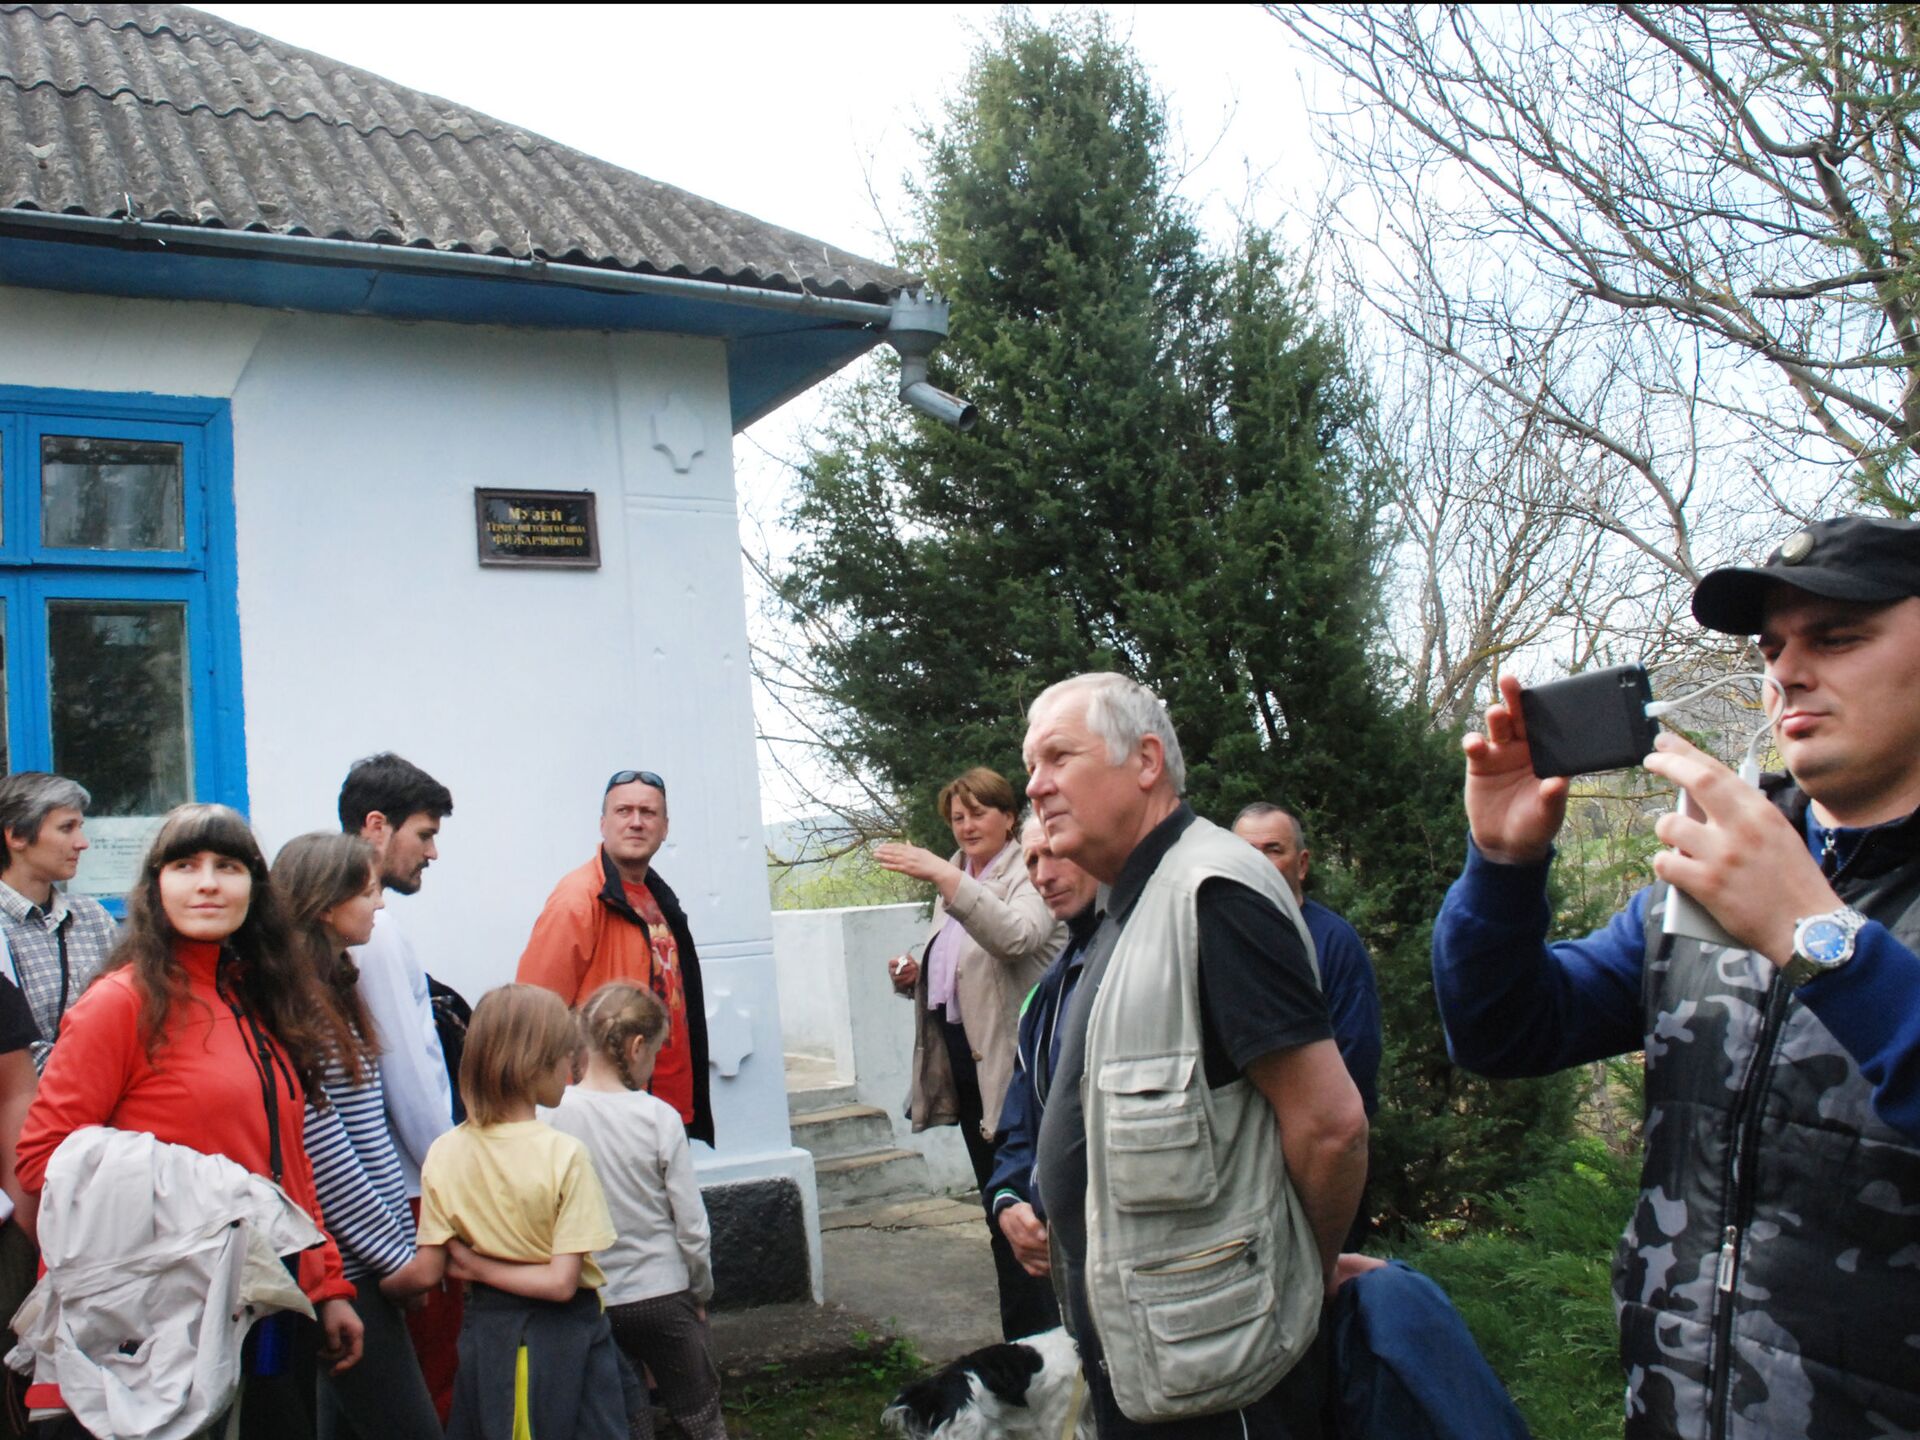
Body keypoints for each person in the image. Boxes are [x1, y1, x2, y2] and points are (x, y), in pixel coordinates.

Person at [1432, 513, 1920, 1436]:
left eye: (1838, 638)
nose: (1787, 672)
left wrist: (1821, 939)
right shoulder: (1714, 870)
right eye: (1772, 647)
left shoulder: (1754, 877)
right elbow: (1504, 1032)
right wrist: (1499, 866)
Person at [1024, 673, 1368, 1437]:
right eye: (1030, 767)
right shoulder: (1129, 904)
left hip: (1225, 1372)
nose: (1037, 786)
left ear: (1146, 761)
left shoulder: (1215, 894)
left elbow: (1331, 1126)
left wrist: (1303, 1275)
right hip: (1154, 1363)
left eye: (1058, 757)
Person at [16, 803, 363, 1436]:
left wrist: (327, 1284)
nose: (207, 883)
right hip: (151, 1338)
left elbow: (286, 1164)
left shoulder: (261, 1000)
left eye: (228, 866)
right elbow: (44, 1165)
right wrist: (212, 1197)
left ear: (255, 888)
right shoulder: (120, 1002)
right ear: (156, 887)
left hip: (267, 1315)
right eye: (184, 865)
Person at [384, 984, 626, 1440]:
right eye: (565, 1054)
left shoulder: (445, 1151)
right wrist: (476, 1266)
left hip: (486, 1336)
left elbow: (426, 1272)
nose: (571, 1066)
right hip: (559, 1339)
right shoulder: (564, 1155)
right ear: (535, 1064)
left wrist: (368, 1293)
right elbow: (560, 1284)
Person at [877, 767, 1066, 1341]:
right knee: (998, 1213)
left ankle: (1049, 1342)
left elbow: (1014, 938)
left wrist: (942, 874)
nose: (965, 826)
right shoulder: (960, 873)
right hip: (968, 1068)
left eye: (978, 813)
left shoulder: (1026, 869)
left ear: (1009, 816)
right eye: (957, 817)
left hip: (1020, 1073)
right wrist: (917, 974)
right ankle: (1023, 1346)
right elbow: (966, 969)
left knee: (1031, 1213)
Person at [274, 833, 441, 1440]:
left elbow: (369, 1139)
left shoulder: (334, 991)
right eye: (369, 892)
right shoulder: (301, 1009)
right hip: (349, 1269)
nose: (380, 904)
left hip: (363, 1262)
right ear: (324, 905)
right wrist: (398, 1259)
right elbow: (325, 1156)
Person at [337, 752, 462, 1419]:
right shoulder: (375, 931)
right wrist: (454, 1179)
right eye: (425, 834)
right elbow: (407, 1076)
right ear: (376, 826)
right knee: (431, 1372)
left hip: (392, 1181)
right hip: (411, 1187)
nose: (433, 853)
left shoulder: (356, 922)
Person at [544, 981, 724, 1440]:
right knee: (698, 1413)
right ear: (638, 1046)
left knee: (625, 1420)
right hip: (663, 1292)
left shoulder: (552, 1116)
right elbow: (691, 1224)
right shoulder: (658, 1117)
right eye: (656, 1053)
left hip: (594, 1297)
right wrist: (699, 1290)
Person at [517, 769, 714, 1145]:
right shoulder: (578, 899)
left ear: (665, 828)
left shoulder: (657, 896)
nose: (636, 822)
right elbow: (533, 1013)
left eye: (648, 812)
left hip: (664, 1105)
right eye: (624, 811)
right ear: (603, 824)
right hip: (603, 1116)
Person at [983, 813, 1100, 1285]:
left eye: (1056, 853)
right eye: (1031, 860)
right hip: (1064, 1258)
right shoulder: (1045, 993)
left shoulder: (1134, 963)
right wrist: (1008, 1198)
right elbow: (1020, 1122)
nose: (1043, 875)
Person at [1231, 803, 1383, 1119]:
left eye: (1273, 850)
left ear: (1301, 864)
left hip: (1315, 1127)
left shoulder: (1334, 941)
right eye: (1247, 851)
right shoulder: (1213, 937)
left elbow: (1356, 1052)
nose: (1259, 862)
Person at [0, 774, 118, 1072]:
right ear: (16, 836)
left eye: (81, 827)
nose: (82, 843)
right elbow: (14, 1052)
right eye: (67, 828)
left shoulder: (91, 917)